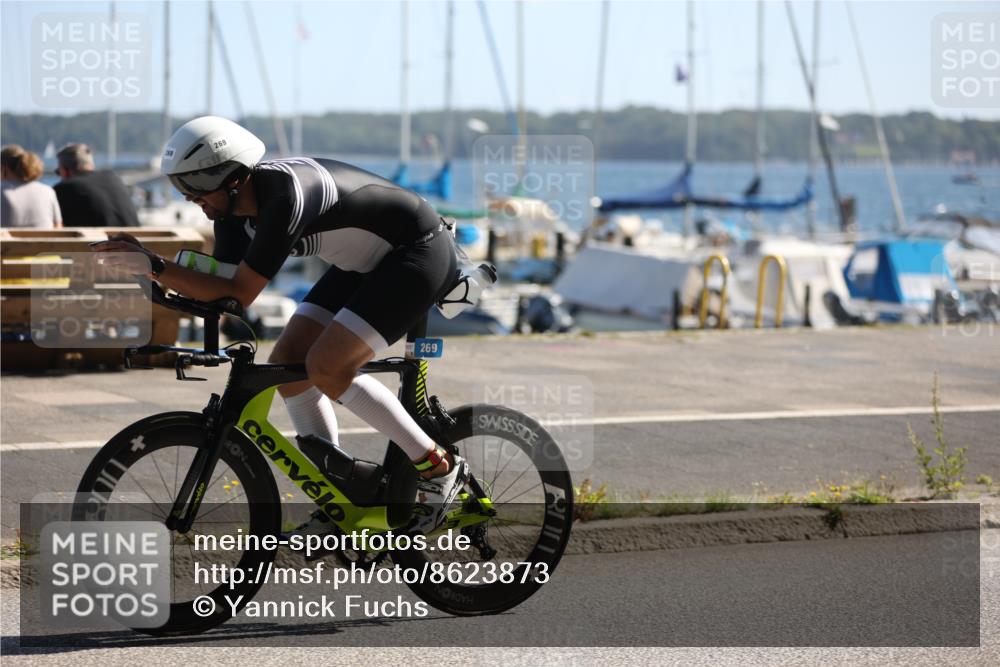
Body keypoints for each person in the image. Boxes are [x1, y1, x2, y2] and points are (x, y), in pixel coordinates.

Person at [92, 116, 466, 534]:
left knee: (327, 365)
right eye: (182, 188)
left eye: (194, 187)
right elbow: (224, 290)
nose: (190, 198)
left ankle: (437, 466)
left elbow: (242, 290)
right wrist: (149, 265)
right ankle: (338, 500)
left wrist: (157, 267)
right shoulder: (229, 212)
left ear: (231, 179)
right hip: (364, 265)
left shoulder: (283, 197)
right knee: (289, 365)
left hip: (416, 255)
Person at [54, 143, 139, 227]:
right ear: (91, 165)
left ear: (65, 170)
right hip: (135, 239)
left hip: (101, 240)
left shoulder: (63, 189)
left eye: (58, 172)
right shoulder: (114, 178)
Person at [1, 145, 61, 228]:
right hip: (45, 241)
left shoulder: (2, 191)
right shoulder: (48, 191)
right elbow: (58, 226)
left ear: (4, 168)